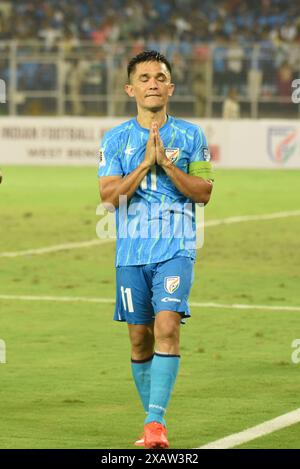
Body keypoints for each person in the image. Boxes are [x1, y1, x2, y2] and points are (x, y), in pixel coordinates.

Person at [97, 50, 213, 449]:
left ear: (170, 87)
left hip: (176, 247)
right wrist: (145, 165)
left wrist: (167, 164)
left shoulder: (192, 136)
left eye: (159, 77)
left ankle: (155, 422)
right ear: (130, 88)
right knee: (139, 340)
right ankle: (153, 427)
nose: (152, 83)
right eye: (144, 78)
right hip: (130, 254)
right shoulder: (114, 139)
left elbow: (204, 193)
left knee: (167, 326)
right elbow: (109, 197)